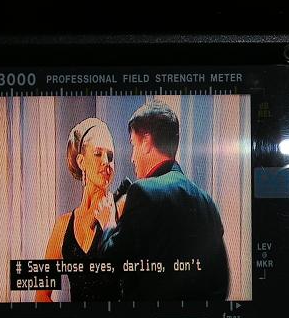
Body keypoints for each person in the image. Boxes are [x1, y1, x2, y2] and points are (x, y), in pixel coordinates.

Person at [95, 101, 229, 301]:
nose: (132, 158)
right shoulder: (207, 202)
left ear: (146, 142)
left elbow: (110, 266)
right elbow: (221, 284)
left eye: (133, 145)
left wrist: (108, 223)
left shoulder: (142, 192)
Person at [37, 118, 121, 302]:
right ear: (81, 161)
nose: (106, 162)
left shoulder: (123, 210)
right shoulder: (63, 225)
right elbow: (41, 296)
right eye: (98, 153)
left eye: (111, 156)